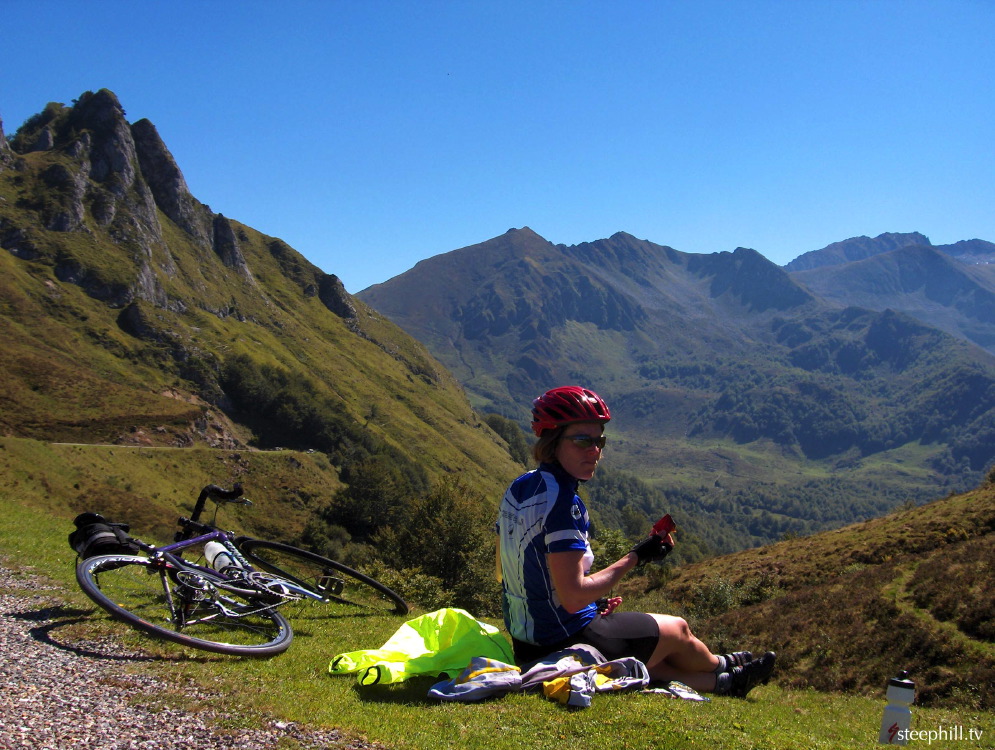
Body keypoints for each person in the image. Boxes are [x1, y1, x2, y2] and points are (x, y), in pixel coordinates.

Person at [495, 385, 776, 698]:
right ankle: (719, 665)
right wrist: (636, 556)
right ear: (552, 442)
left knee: (650, 661)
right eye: (582, 440)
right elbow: (573, 596)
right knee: (678, 629)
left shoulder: (520, 487)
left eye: (599, 440)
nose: (594, 450)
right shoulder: (563, 504)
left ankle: (728, 681)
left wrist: (589, 602)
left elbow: (516, 570)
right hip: (562, 638)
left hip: (525, 641)